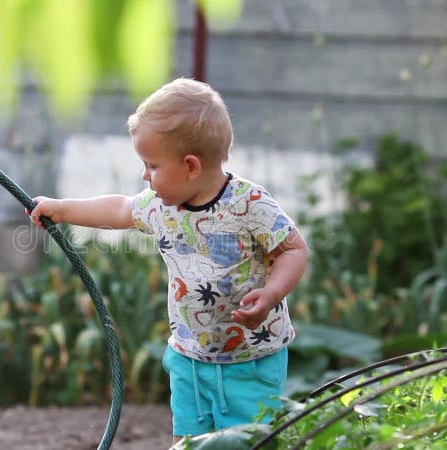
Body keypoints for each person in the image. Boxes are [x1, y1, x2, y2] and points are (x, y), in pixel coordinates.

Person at [28, 78, 308, 444]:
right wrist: (62, 209)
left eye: (152, 166)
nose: (145, 175)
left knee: (251, 442)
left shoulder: (249, 203)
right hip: (190, 358)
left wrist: (271, 293)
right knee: (189, 443)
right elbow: (119, 208)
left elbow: (292, 249)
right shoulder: (161, 205)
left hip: (251, 362)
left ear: (191, 166)